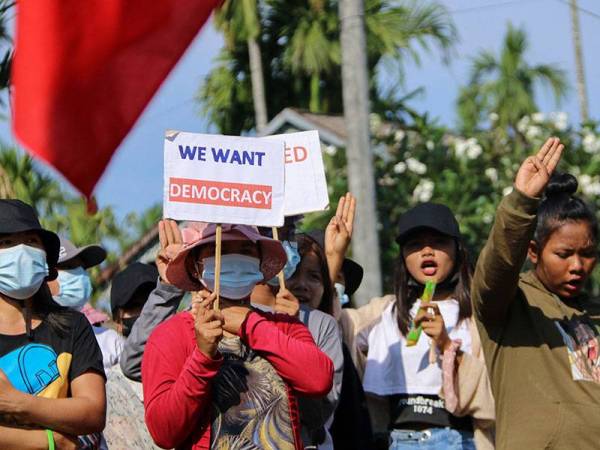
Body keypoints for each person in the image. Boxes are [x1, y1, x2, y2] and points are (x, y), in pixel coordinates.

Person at [142, 220, 334, 449]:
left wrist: (251, 324)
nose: (234, 258)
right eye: (219, 250)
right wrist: (202, 358)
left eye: (245, 250)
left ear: (260, 265)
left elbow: (319, 380)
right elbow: (164, 433)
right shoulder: (172, 334)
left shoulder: (285, 327)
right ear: (196, 266)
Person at [330, 194, 494, 449]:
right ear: (404, 257)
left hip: (458, 439)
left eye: (438, 242)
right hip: (396, 438)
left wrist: (446, 343)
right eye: (415, 245)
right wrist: (334, 258)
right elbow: (329, 325)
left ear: (457, 250)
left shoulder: (477, 316)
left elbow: (491, 395)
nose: (427, 251)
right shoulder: (383, 313)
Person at [472, 137, 600, 448]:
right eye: (564, 254)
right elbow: (496, 269)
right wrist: (521, 204)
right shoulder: (509, 302)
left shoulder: (593, 315)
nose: (578, 266)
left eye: (587, 254)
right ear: (533, 251)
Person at [0, 199, 106, 449]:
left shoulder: (73, 326)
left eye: (31, 241)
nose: (22, 250)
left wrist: (17, 403)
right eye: (6, 242)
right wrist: (50, 440)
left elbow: (92, 412)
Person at [285, 232, 344, 450]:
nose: (302, 285)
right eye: (292, 272)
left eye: (314, 277)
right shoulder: (255, 323)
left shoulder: (325, 327)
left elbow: (320, 408)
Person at [48, 236, 120, 370]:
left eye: (82, 267)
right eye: (68, 267)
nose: (79, 274)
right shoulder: (38, 350)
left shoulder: (110, 339)